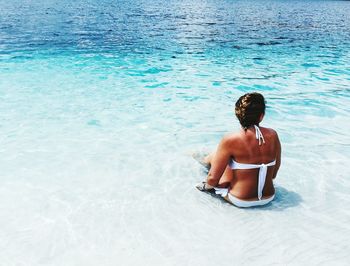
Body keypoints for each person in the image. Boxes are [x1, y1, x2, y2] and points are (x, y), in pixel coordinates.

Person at [196, 92, 281, 207]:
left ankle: (200, 159)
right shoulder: (273, 135)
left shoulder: (231, 139)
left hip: (240, 199)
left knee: (216, 155)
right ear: (261, 116)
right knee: (236, 163)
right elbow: (273, 174)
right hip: (269, 196)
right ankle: (204, 158)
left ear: (238, 115)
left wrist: (205, 186)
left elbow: (212, 180)